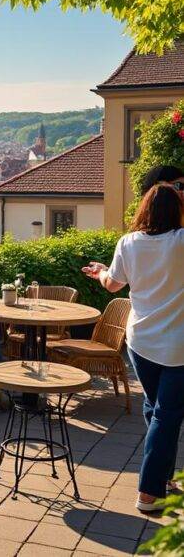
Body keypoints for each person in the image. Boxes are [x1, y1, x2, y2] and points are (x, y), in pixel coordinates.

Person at [83, 182, 184, 512]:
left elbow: (112, 285)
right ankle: (148, 492)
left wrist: (100, 272)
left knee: (156, 409)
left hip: (140, 342)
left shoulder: (128, 242)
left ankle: (163, 479)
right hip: (178, 346)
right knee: (166, 415)